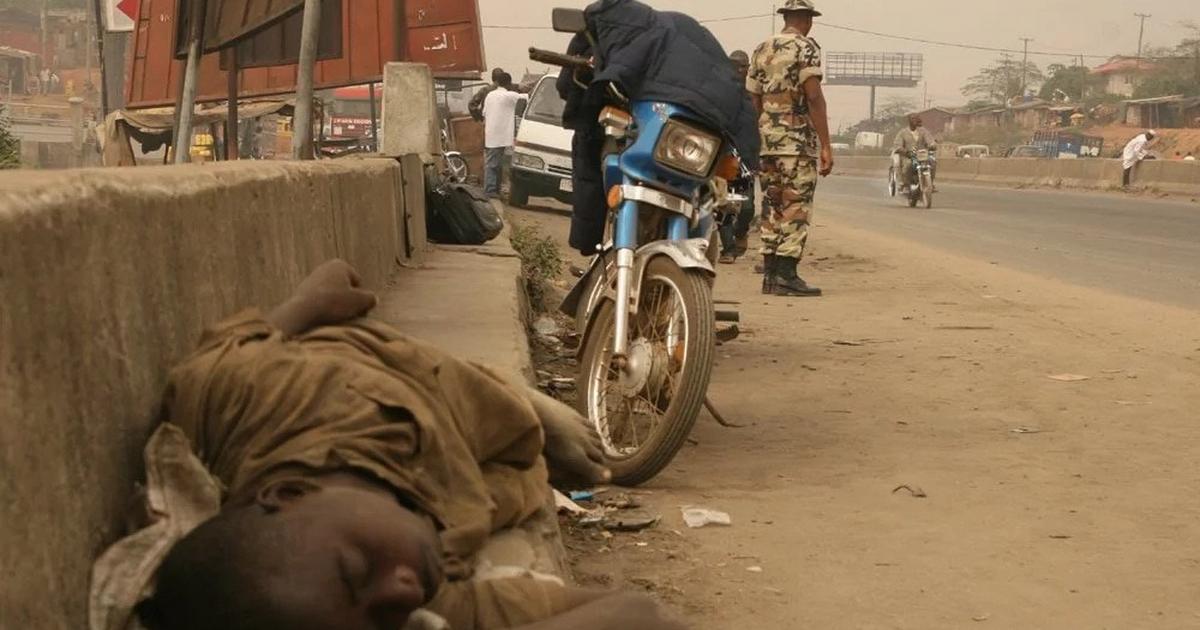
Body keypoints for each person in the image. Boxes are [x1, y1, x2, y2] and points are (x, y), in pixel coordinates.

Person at [131, 260, 687, 630]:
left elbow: (213, 356)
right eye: (384, 624)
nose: (397, 593)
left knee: (485, 392)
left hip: (371, 361)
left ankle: (526, 401)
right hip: (463, 462)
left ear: (286, 493)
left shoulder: (251, 402)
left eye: (354, 570)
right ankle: (527, 421)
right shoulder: (432, 587)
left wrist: (306, 303)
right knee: (520, 467)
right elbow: (642, 616)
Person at [747, 0, 832, 297]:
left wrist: (755, 139)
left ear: (786, 17)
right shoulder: (806, 47)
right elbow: (813, 97)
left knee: (771, 206)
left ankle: (769, 276)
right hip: (795, 143)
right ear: (807, 19)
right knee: (795, 206)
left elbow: (753, 101)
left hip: (766, 143)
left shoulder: (761, 48)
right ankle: (787, 274)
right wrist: (826, 145)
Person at [719, 50, 758, 265]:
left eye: (743, 66)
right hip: (724, 155)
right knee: (723, 204)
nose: (739, 70)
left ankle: (740, 232)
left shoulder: (754, 96)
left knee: (748, 208)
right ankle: (729, 249)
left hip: (746, 158)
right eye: (735, 66)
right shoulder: (720, 92)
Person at [482, 72, 528, 198]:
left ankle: (494, 190)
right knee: (494, 164)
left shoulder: (490, 95)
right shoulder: (509, 95)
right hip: (501, 135)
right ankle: (490, 190)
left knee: (494, 163)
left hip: (491, 133)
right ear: (509, 83)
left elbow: (484, 113)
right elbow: (526, 97)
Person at [892, 114, 938, 190]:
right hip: (908, 156)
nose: (915, 120)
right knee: (908, 165)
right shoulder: (902, 133)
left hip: (922, 155)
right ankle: (906, 184)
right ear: (909, 121)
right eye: (913, 119)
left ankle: (930, 183)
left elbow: (930, 141)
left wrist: (932, 145)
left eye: (916, 119)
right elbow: (897, 145)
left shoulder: (923, 131)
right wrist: (905, 151)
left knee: (932, 162)